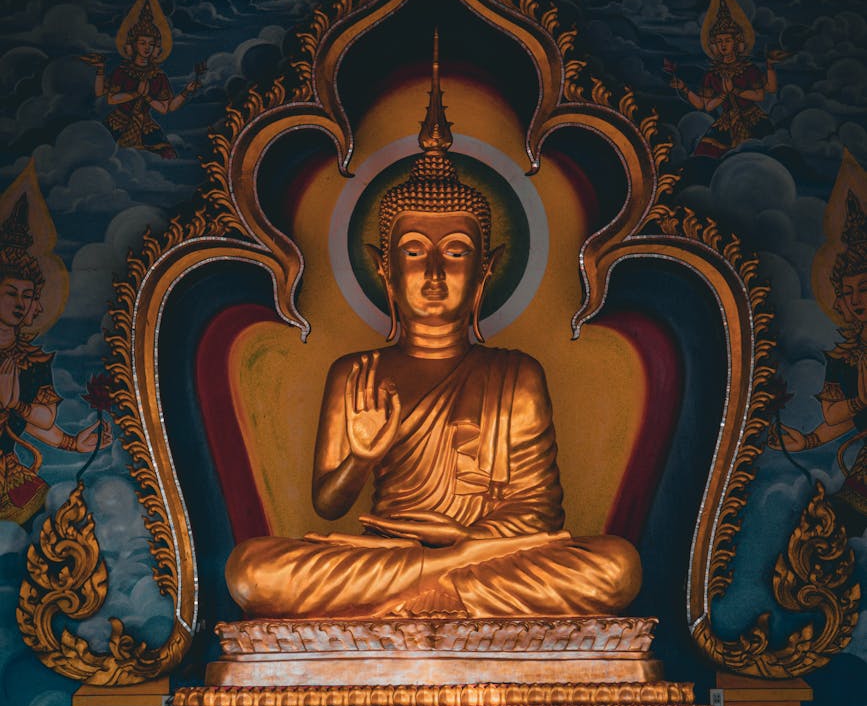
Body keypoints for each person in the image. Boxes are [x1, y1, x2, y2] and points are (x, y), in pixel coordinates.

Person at [226, 43, 641, 619]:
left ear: (486, 269)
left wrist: (459, 542)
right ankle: (435, 582)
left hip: (488, 558)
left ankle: (429, 584)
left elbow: (540, 514)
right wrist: (361, 459)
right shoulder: (356, 374)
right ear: (384, 266)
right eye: (415, 252)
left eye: (457, 252)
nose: (435, 272)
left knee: (615, 566)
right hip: (389, 558)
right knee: (252, 570)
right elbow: (328, 502)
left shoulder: (515, 375)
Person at [0, 195, 109, 523]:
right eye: (10, 293)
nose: (20, 303)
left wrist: (74, 443)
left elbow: (43, 419)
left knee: (50, 523)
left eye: (28, 295)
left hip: (8, 475)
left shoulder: (31, 361)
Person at [771, 189, 867, 535]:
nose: (856, 300)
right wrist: (808, 441)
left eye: (864, 288)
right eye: (849, 291)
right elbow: (837, 418)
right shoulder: (845, 358)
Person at [670, 0, 781, 159]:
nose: (723, 45)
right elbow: (704, 105)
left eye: (727, 40)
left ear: (736, 42)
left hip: (753, 120)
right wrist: (685, 89)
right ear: (714, 45)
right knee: (705, 152)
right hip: (727, 122)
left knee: (761, 154)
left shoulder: (748, 69)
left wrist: (768, 67)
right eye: (719, 41)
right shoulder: (712, 75)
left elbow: (761, 94)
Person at [100, 0, 199, 158]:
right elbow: (111, 99)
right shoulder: (123, 71)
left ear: (156, 48)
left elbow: (166, 108)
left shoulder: (158, 76)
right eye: (143, 43)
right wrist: (135, 94)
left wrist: (186, 92)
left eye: (151, 44)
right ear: (133, 45)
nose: (147, 47)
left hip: (145, 125)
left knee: (168, 155)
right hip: (118, 123)